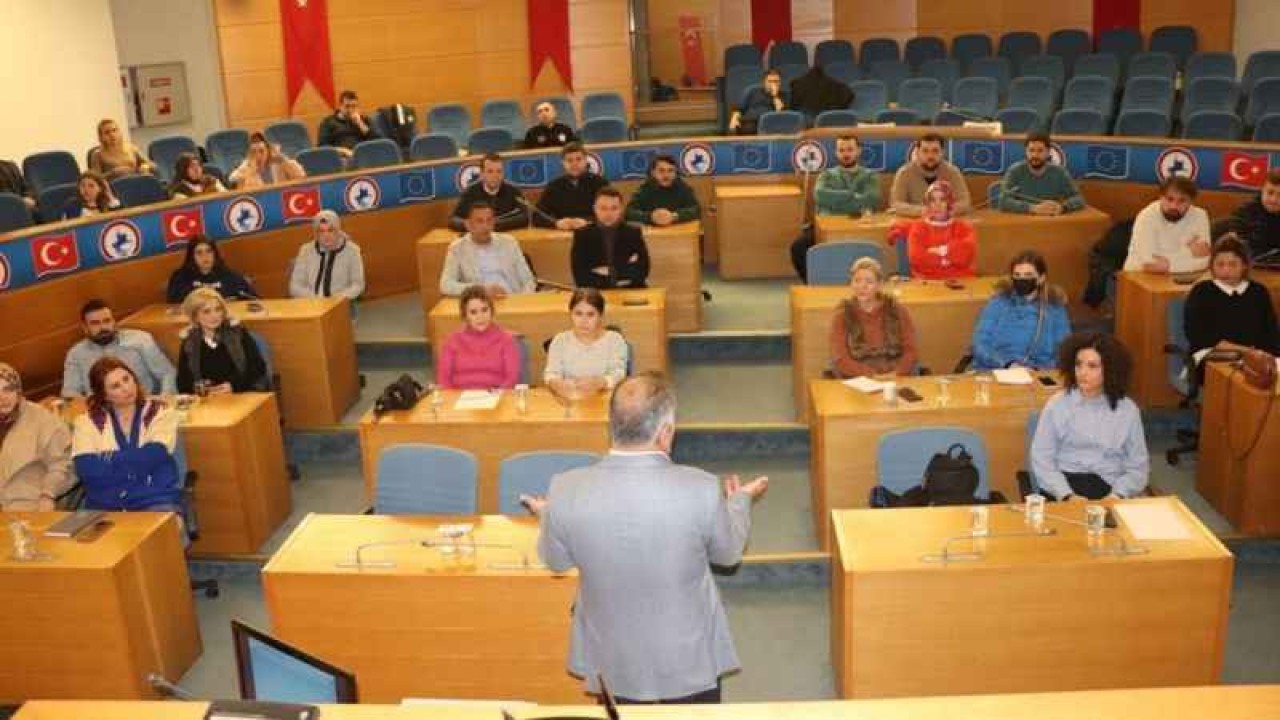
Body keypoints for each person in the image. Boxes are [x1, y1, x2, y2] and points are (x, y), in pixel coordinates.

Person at [524, 373, 768, 704]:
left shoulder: (565, 488)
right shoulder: (701, 487)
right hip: (688, 659)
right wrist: (739, 502)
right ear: (666, 433)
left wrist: (548, 515)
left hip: (611, 658)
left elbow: (556, 561)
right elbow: (728, 554)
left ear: (612, 426)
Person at [1030, 333, 1149, 501]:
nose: (1082, 372)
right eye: (1078, 364)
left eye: (1092, 366)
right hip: (1065, 484)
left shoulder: (1128, 410)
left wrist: (1118, 494)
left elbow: (1138, 467)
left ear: (1111, 370)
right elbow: (1042, 460)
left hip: (1110, 486)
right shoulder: (1058, 405)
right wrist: (1067, 495)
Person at [71, 357, 182, 513]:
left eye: (126, 379)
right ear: (104, 395)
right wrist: (135, 463)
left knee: (165, 524)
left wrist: (108, 458)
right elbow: (86, 468)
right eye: (115, 386)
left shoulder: (159, 412)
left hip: (153, 497)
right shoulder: (86, 422)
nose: (126, 388)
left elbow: (155, 454)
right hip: (105, 502)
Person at [1184, 234, 1280, 385]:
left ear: (1244, 266)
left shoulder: (1258, 292)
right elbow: (1199, 337)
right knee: (1243, 379)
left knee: (1265, 375)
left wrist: (1266, 356)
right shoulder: (1202, 291)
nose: (1226, 270)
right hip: (1213, 357)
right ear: (1212, 266)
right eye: (1220, 265)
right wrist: (1245, 351)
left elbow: (1271, 333)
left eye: (1233, 264)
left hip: (1255, 357)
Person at [790, 134, 881, 279]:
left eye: (850, 150)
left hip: (859, 226)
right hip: (825, 227)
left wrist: (835, 202)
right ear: (836, 152)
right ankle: (814, 283)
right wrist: (851, 195)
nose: (846, 154)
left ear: (858, 151)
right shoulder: (826, 175)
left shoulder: (870, 176)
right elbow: (820, 196)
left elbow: (871, 200)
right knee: (798, 247)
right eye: (841, 150)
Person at [970, 250, 1071, 370]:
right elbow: (980, 344)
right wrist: (1007, 364)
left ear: (1041, 278)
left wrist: (1038, 370)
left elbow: (1064, 351)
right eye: (1017, 275)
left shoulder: (1055, 308)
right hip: (997, 368)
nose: (1022, 280)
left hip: (1038, 372)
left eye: (1028, 275)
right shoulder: (998, 303)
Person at [63, 299, 176, 397]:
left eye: (107, 321)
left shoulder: (140, 339)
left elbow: (167, 373)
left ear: (114, 321)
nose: (103, 327)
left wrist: (164, 399)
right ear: (85, 328)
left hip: (143, 404)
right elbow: (70, 391)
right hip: (100, 410)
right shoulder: (76, 354)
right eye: (95, 323)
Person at [829, 257, 919, 377]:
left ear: (879, 285)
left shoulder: (897, 310)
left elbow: (911, 350)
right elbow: (840, 357)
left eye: (869, 282)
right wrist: (871, 376)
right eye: (857, 281)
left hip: (895, 375)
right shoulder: (843, 313)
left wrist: (897, 373)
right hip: (859, 378)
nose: (862, 286)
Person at [0, 363, 72, 511]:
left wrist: (48, 495)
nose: (3, 398)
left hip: (29, 504)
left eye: (8, 389)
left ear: (18, 390)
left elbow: (62, 464)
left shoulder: (42, 419)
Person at [175, 288, 269, 395]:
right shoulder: (189, 342)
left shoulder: (237, 333)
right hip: (207, 400)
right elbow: (183, 383)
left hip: (241, 394)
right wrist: (201, 389)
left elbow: (257, 368)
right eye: (206, 312)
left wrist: (233, 386)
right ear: (195, 317)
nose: (214, 316)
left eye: (218, 309)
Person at [544, 288, 630, 399]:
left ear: (601, 316)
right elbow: (551, 373)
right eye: (578, 314)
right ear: (570, 314)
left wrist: (600, 382)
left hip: (604, 400)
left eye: (590, 315)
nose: (583, 321)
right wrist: (557, 383)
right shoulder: (560, 340)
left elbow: (619, 374)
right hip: (569, 400)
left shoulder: (614, 340)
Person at [439, 202, 536, 298]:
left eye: (489, 221)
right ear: (468, 225)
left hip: (512, 297)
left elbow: (528, 280)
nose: (485, 226)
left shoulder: (509, 242)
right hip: (480, 301)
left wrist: (521, 299)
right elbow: (445, 285)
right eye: (480, 221)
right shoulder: (457, 248)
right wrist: (480, 290)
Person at [435, 286, 520, 390]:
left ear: (492, 311)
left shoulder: (506, 340)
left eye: (484, 310)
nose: (480, 317)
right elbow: (444, 379)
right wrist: (454, 397)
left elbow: (511, 378)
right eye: (473, 312)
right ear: (465, 316)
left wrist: (495, 395)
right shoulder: (452, 342)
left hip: (496, 395)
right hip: (459, 396)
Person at [1123, 176, 1211, 274]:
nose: (1174, 206)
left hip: (1184, 276)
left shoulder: (1200, 216)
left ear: (1191, 201)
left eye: (1182, 201)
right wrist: (1188, 252)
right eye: (1169, 199)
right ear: (1160, 197)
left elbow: (1205, 260)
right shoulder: (1146, 216)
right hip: (1139, 276)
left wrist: (1168, 266)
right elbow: (1149, 263)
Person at [571, 187, 649, 289]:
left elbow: (643, 271)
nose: (608, 214)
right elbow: (580, 277)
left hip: (631, 290)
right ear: (594, 209)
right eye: (603, 208)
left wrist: (611, 272)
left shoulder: (633, 233)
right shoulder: (582, 235)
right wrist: (619, 277)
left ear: (621, 209)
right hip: (596, 292)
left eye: (614, 208)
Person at [996, 133, 1085, 216]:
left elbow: (1078, 199)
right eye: (1031, 150)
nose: (1035, 155)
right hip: (1024, 220)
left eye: (1040, 151)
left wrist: (1062, 207)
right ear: (1026, 152)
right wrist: (1033, 208)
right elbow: (1003, 201)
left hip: (1050, 220)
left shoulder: (1059, 172)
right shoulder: (1015, 171)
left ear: (1048, 153)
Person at [905, 180, 977, 279]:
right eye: (933, 200)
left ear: (949, 203)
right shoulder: (919, 227)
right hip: (928, 282)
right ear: (928, 204)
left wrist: (942, 251)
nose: (937, 205)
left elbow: (965, 255)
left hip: (961, 280)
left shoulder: (963, 227)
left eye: (942, 200)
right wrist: (948, 258)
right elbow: (917, 259)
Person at [288, 210, 366, 300]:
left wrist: (338, 299)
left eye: (330, 230)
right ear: (316, 234)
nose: (326, 235)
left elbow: (358, 285)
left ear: (338, 231)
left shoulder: (352, 250)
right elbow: (295, 286)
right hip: (311, 302)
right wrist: (316, 299)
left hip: (340, 303)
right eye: (321, 231)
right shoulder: (305, 250)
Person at [889, 133, 972, 217]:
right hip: (914, 222)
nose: (930, 156)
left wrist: (945, 210)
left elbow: (965, 202)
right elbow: (896, 203)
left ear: (943, 152)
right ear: (917, 152)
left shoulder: (952, 172)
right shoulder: (904, 173)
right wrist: (923, 211)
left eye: (935, 151)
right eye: (925, 151)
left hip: (944, 221)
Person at [535, 143, 609, 229]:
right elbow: (537, 216)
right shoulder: (554, 186)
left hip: (593, 231)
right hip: (562, 233)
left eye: (579, 159)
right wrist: (556, 223)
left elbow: (612, 213)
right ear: (562, 163)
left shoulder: (600, 183)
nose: (575, 164)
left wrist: (588, 222)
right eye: (569, 160)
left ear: (585, 160)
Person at [448, 153, 529, 231]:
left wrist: (498, 225)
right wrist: (471, 225)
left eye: (499, 171)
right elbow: (453, 220)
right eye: (490, 171)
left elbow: (526, 216)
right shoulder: (470, 192)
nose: (495, 176)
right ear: (482, 174)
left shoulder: (513, 191)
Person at [166, 235, 257, 303]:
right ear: (192, 257)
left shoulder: (228, 275)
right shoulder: (180, 277)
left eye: (209, 251)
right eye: (199, 253)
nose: (205, 256)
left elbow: (253, 298)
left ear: (215, 254)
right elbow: (172, 303)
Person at [624, 154, 700, 227]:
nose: (666, 175)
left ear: (675, 173)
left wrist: (674, 216)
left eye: (670, 171)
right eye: (661, 171)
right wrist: (651, 217)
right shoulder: (645, 189)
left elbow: (696, 210)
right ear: (653, 172)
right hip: (653, 232)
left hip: (678, 230)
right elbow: (629, 212)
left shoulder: (682, 187)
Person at [1221, 169, 1280, 261]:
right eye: (1270, 192)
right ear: (1262, 190)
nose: (1274, 199)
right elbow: (1238, 249)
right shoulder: (1243, 214)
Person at [229, 132, 306, 189]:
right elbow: (232, 179)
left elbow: (300, 175)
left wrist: (284, 159)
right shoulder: (247, 166)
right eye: (254, 152)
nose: (258, 155)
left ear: (268, 151)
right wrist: (249, 170)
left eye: (261, 151)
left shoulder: (279, 162)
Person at [87, 119, 154, 180]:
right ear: (101, 137)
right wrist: (113, 173)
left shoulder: (131, 148)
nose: (112, 135)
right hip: (115, 186)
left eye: (114, 130)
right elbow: (96, 180)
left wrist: (145, 166)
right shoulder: (97, 155)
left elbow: (151, 164)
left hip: (136, 182)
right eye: (107, 132)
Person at [317, 90, 378, 156]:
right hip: (341, 157)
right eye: (347, 106)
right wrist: (343, 151)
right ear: (340, 106)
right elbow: (322, 147)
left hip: (363, 155)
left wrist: (360, 123)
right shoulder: (328, 122)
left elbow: (377, 141)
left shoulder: (364, 120)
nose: (350, 110)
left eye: (354, 106)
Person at [728, 69, 788, 135]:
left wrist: (775, 96)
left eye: (776, 81)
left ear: (780, 83)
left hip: (770, 124)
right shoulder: (753, 91)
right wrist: (734, 118)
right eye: (770, 81)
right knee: (748, 127)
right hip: (751, 122)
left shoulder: (784, 96)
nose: (773, 84)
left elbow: (782, 116)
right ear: (764, 82)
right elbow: (739, 108)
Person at [788, 65, 854, 122]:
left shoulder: (798, 84)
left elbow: (793, 106)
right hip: (832, 120)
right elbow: (849, 96)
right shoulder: (835, 85)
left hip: (807, 121)